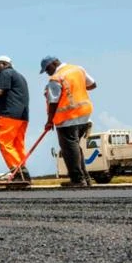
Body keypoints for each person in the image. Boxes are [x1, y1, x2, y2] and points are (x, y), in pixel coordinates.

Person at [40, 55, 97, 188]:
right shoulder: (78, 69)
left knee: (69, 149)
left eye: (47, 70)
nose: (48, 73)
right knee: (75, 147)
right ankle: (86, 179)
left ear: (52, 65)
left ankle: (78, 180)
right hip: (84, 114)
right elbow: (93, 85)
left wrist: (49, 121)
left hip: (68, 117)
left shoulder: (55, 78)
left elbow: (53, 102)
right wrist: (75, 88)